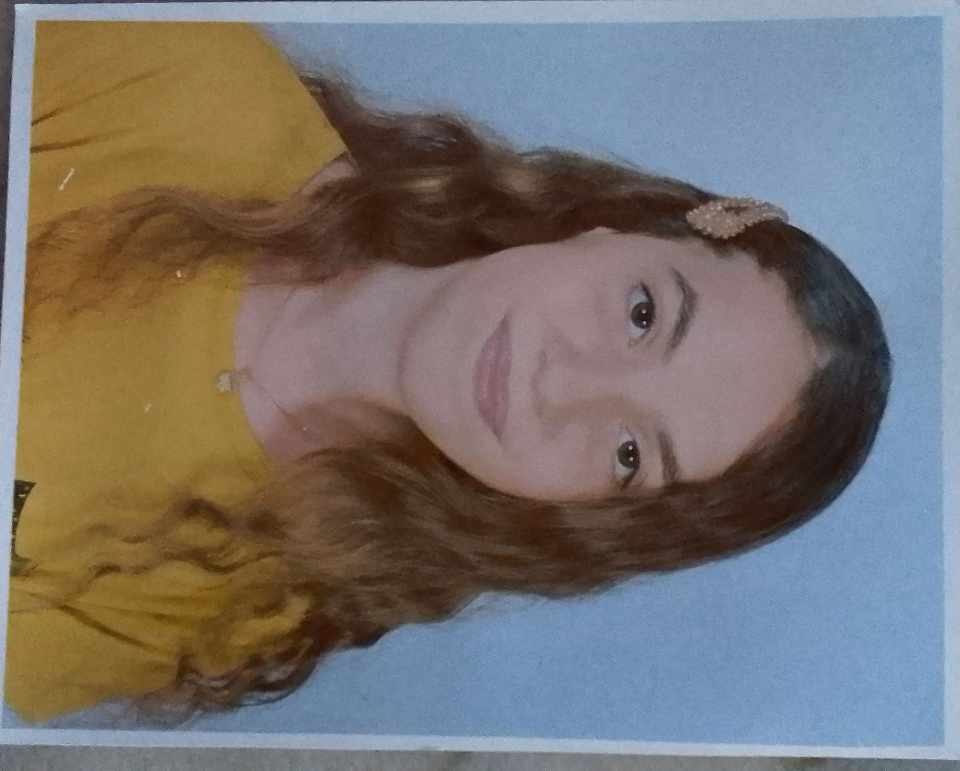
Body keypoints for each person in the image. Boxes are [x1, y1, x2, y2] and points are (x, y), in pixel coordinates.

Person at [5, 21, 891, 724]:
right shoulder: (190, 81)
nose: (563, 387)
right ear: (615, 227)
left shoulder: (262, 602)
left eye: (630, 453)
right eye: (643, 314)